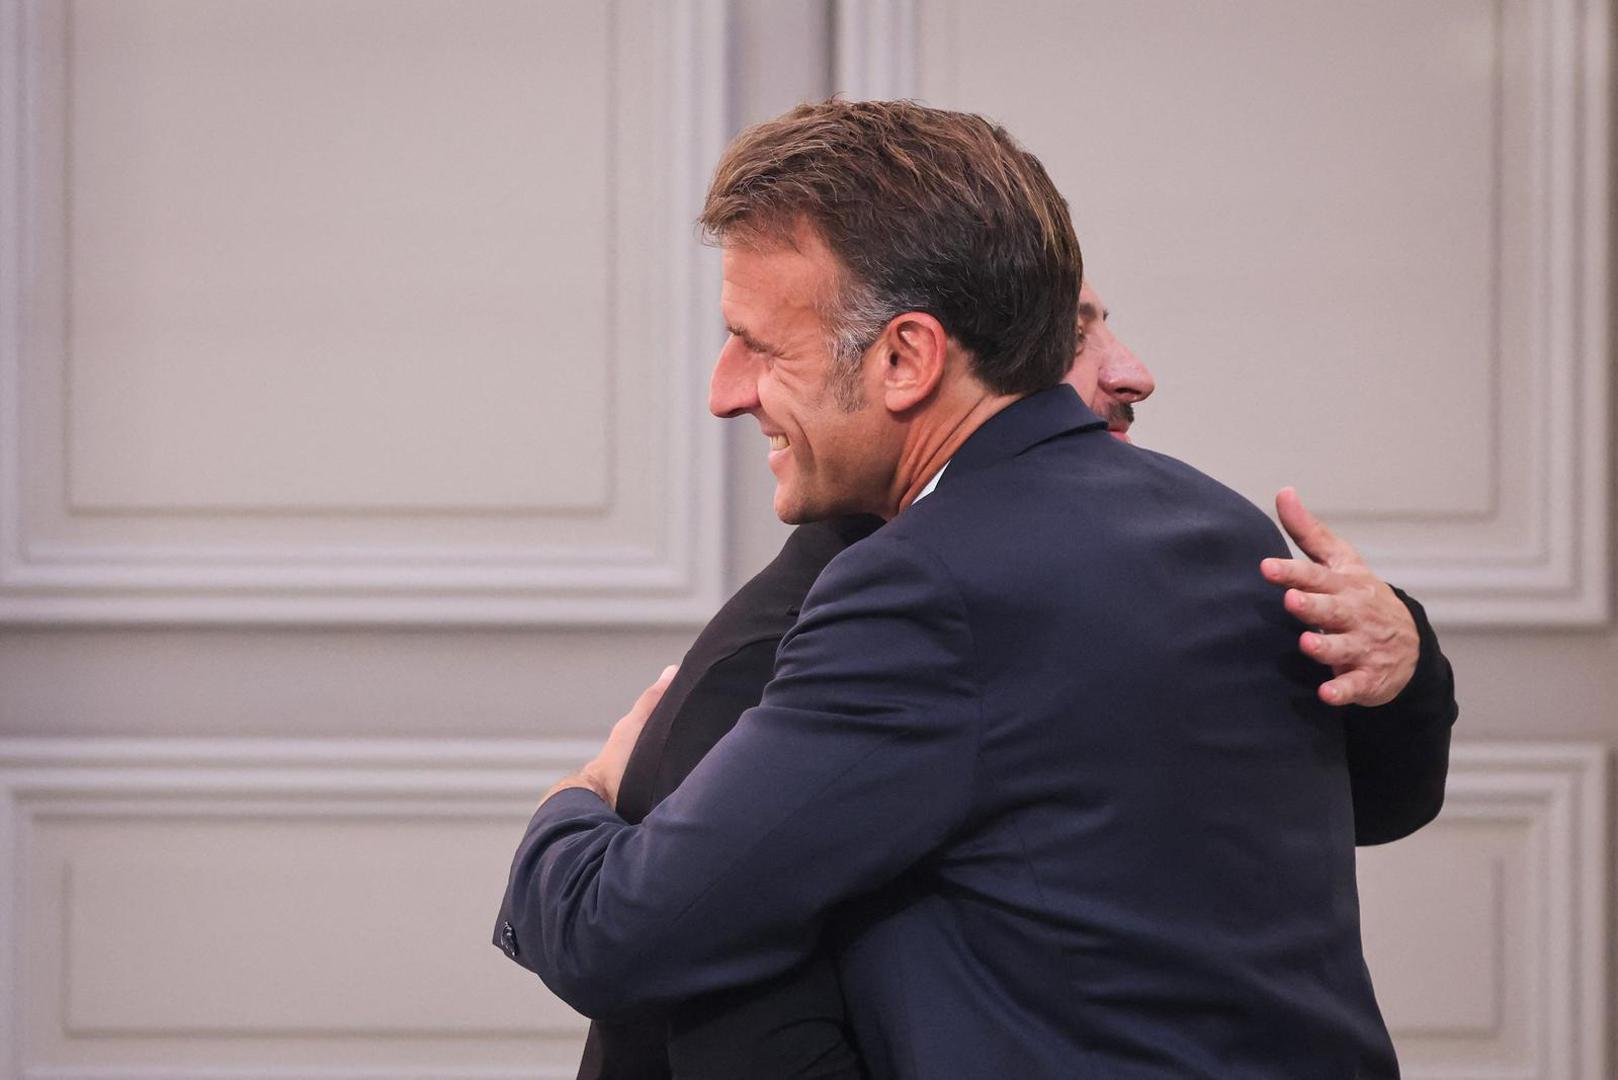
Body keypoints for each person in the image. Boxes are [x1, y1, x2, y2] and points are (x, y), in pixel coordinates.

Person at [497, 100, 1426, 1078]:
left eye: (762, 347)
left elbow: (620, 936)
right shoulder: (1224, 522)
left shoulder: (920, 589)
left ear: (906, 359)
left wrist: (581, 795)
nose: (725, 392)